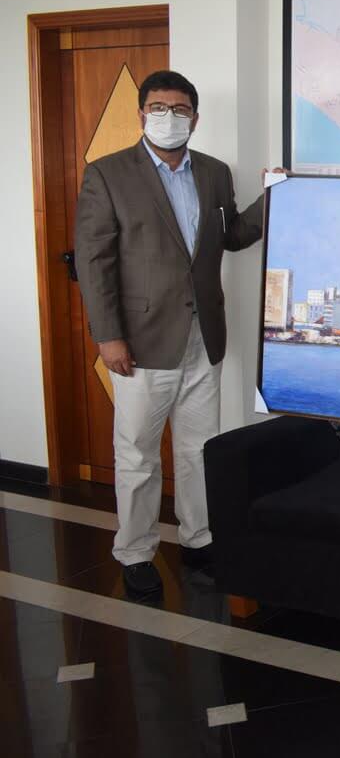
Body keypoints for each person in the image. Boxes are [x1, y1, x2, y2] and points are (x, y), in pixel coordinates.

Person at [75, 70, 264, 597]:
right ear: (141, 115)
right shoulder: (108, 174)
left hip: (204, 335)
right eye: (158, 108)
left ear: (194, 119)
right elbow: (94, 261)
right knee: (137, 452)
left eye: (180, 109)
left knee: (199, 448)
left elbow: (231, 236)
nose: (169, 117)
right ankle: (135, 552)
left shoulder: (214, 173)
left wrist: (274, 195)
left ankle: (198, 539)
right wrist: (108, 336)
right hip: (140, 341)